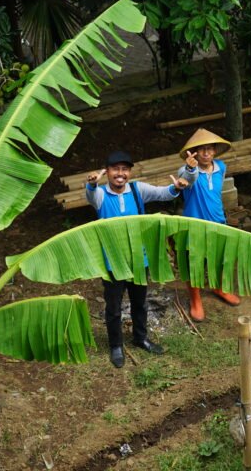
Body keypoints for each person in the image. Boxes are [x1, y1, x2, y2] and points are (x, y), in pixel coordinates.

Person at [86, 150, 189, 368]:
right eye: (115, 169)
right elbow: (91, 197)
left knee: (139, 302)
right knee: (113, 307)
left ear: (129, 172)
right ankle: (116, 346)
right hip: (112, 262)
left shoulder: (137, 189)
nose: (120, 174)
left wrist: (176, 188)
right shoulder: (101, 195)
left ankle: (140, 338)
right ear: (108, 171)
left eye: (124, 169)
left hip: (138, 260)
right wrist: (92, 184)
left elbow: (164, 193)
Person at [177, 128, 241, 322]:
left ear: (215, 150)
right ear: (194, 152)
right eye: (201, 149)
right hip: (194, 225)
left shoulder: (221, 167)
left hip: (218, 221)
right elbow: (187, 179)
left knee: (219, 259)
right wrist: (189, 169)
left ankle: (218, 287)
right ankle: (195, 299)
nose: (205, 153)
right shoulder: (187, 171)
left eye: (209, 148)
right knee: (194, 262)